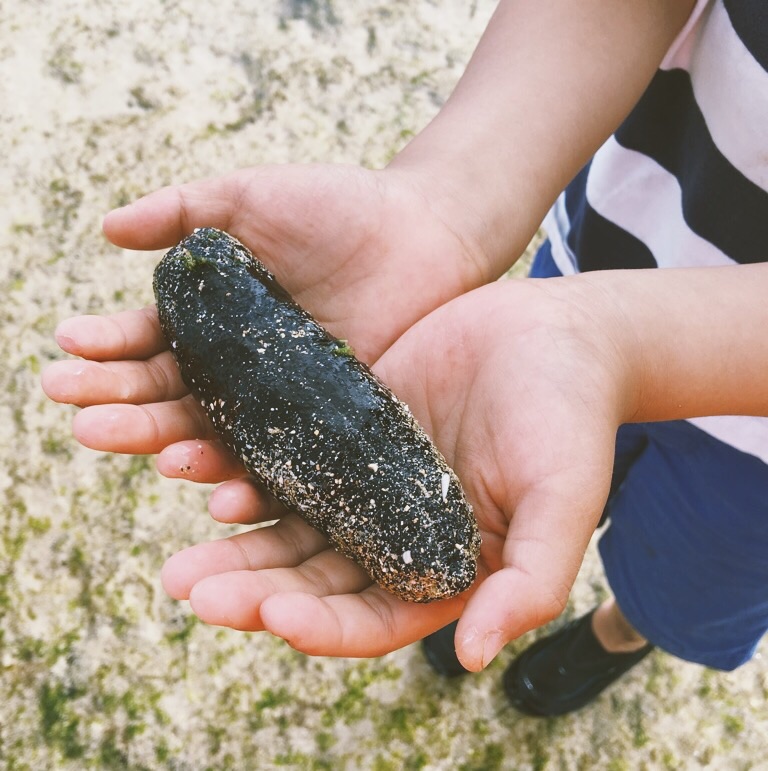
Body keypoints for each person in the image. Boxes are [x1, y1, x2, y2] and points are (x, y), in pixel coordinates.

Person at [43, 0, 768, 717]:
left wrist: (620, 344)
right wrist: (447, 199)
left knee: (686, 580)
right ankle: (517, 602)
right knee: (533, 481)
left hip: (753, 463)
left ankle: (620, 633)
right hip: (601, 261)